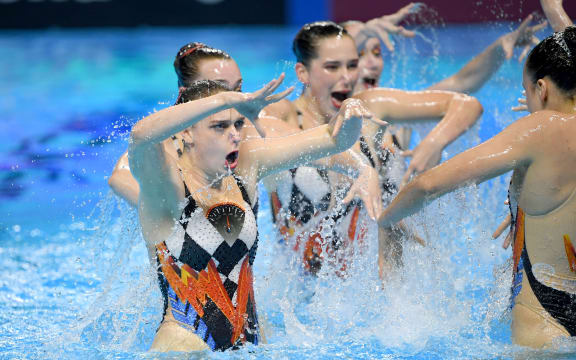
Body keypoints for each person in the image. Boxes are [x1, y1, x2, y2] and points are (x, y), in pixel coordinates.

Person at [128, 75, 384, 351]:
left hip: (251, 345)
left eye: (238, 123)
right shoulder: (168, 185)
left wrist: (351, 111)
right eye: (219, 126)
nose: (235, 134)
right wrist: (225, 99)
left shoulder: (246, 168)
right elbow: (140, 137)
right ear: (187, 132)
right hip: (185, 347)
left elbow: (335, 140)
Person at [378, 27, 576, 348]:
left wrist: (385, 220)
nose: (526, 102)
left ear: (542, 89)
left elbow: (428, 185)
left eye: (526, 92)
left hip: (545, 317)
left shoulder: (539, 129)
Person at [261, 21, 483, 277]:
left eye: (352, 65)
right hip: (302, 296)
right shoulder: (283, 115)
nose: (347, 77)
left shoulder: (369, 108)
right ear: (303, 73)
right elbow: (258, 131)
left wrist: (433, 143)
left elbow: (467, 105)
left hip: (376, 290)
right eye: (332, 67)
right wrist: (357, 164)